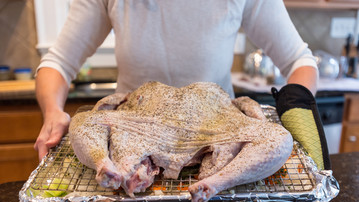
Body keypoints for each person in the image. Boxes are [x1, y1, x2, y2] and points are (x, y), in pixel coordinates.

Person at [34, 0, 325, 168]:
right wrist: (52, 111)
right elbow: (57, 63)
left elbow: (300, 61)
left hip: (216, 145)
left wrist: (297, 108)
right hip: (133, 147)